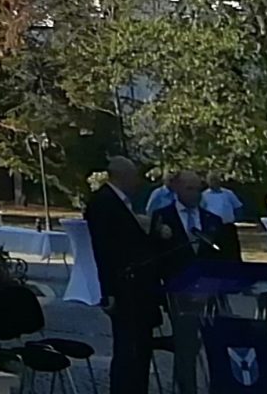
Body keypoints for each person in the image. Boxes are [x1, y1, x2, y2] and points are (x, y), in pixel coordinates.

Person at [151, 170, 241, 394]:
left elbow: (224, 257)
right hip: (179, 293)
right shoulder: (163, 217)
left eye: (198, 189)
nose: (195, 194)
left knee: (216, 344)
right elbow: (157, 257)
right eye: (189, 189)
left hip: (210, 293)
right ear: (178, 189)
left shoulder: (212, 221)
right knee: (187, 347)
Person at [85, 156, 163, 394]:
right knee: (128, 350)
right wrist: (107, 291)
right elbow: (104, 250)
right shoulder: (104, 203)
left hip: (139, 287)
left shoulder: (121, 202)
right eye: (134, 176)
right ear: (123, 176)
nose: (138, 182)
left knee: (139, 349)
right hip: (124, 287)